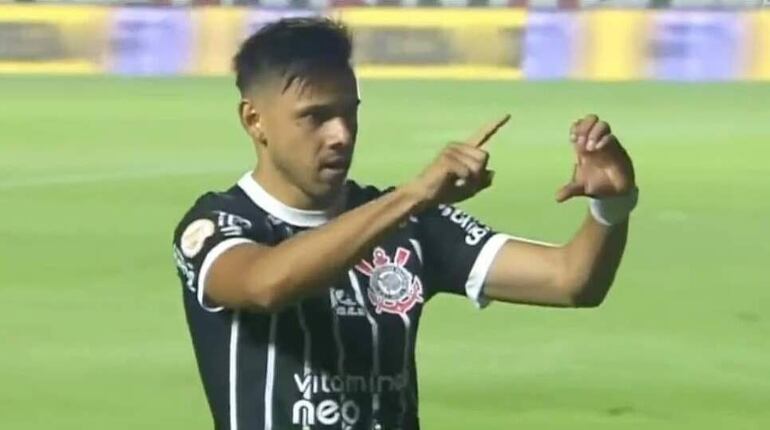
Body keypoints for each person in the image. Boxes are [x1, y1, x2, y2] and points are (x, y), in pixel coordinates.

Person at [172, 17, 637, 430]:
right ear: (255, 120)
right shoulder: (219, 222)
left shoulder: (409, 223)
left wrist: (611, 207)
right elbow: (264, 285)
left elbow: (572, 281)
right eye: (315, 117)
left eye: (349, 112)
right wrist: (413, 195)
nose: (341, 135)